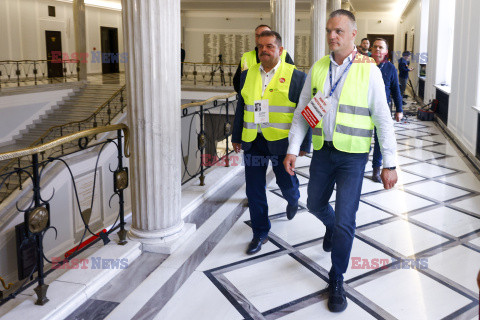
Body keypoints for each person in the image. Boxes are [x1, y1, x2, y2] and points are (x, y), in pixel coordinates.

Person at [283, 10, 397, 313]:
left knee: (347, 220)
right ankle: (330, 227)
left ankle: (337, 278)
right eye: (329, 31)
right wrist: (293, 148)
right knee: (316, 204)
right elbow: (302, 112)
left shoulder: (368, 69)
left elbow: (383, 119)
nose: (332, 36)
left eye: (338, 31)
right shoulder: (318, 68)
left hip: (353, 157)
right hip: (323, 152)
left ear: (353, 36)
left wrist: (390, 163)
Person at [232, 30, 311, 255]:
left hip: (281, 141)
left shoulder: (297, 76)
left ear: (280, 50)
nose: (264, 50)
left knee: (286, 182)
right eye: (260, 47)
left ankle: (293, 197)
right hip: (253, 140)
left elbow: (306, 112)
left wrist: (304, 144)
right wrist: (236, 136)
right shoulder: (247, 76)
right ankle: (260, 232)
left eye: (269, 46)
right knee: (255, 189)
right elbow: (242, 107)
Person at [370, 38, 404, 182]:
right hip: (364, 108)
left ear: (385, 51)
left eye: (381, 47)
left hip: (383, 109)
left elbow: (396, 90)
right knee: (362, 137)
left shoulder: (390, 68)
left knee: (380, 139)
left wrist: (399, 109)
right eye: (375, 47)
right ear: (371, 49)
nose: (377, 49)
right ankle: (358, 163)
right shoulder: (363, 65)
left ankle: (376, 169)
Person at [232, 25, 295, 93]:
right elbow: (238, 82)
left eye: (265, 34)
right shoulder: (246, 57)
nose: (261, 38)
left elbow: (294, 80)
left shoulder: (284, 54)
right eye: (257, 35)